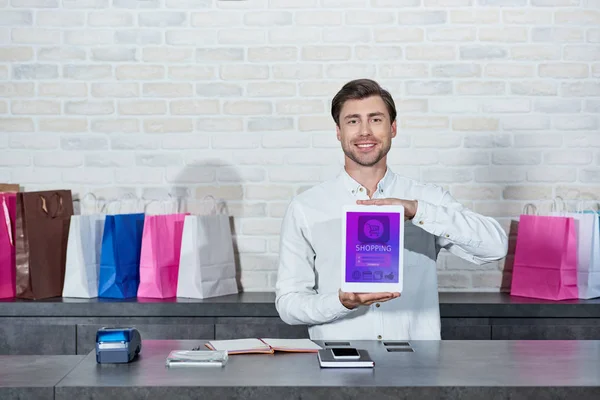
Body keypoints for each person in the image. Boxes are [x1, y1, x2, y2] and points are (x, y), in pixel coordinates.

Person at [274, 78, 508, 341]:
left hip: (418, 366)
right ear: (339, 131)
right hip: (339, 365)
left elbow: (495, 247)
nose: (364, 131)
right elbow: (289, 305)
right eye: (353, 121)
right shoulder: (306, 207)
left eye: (375, 119)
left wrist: (418, 212)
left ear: (393, 127)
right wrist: (341, 302)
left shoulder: (427, 199)